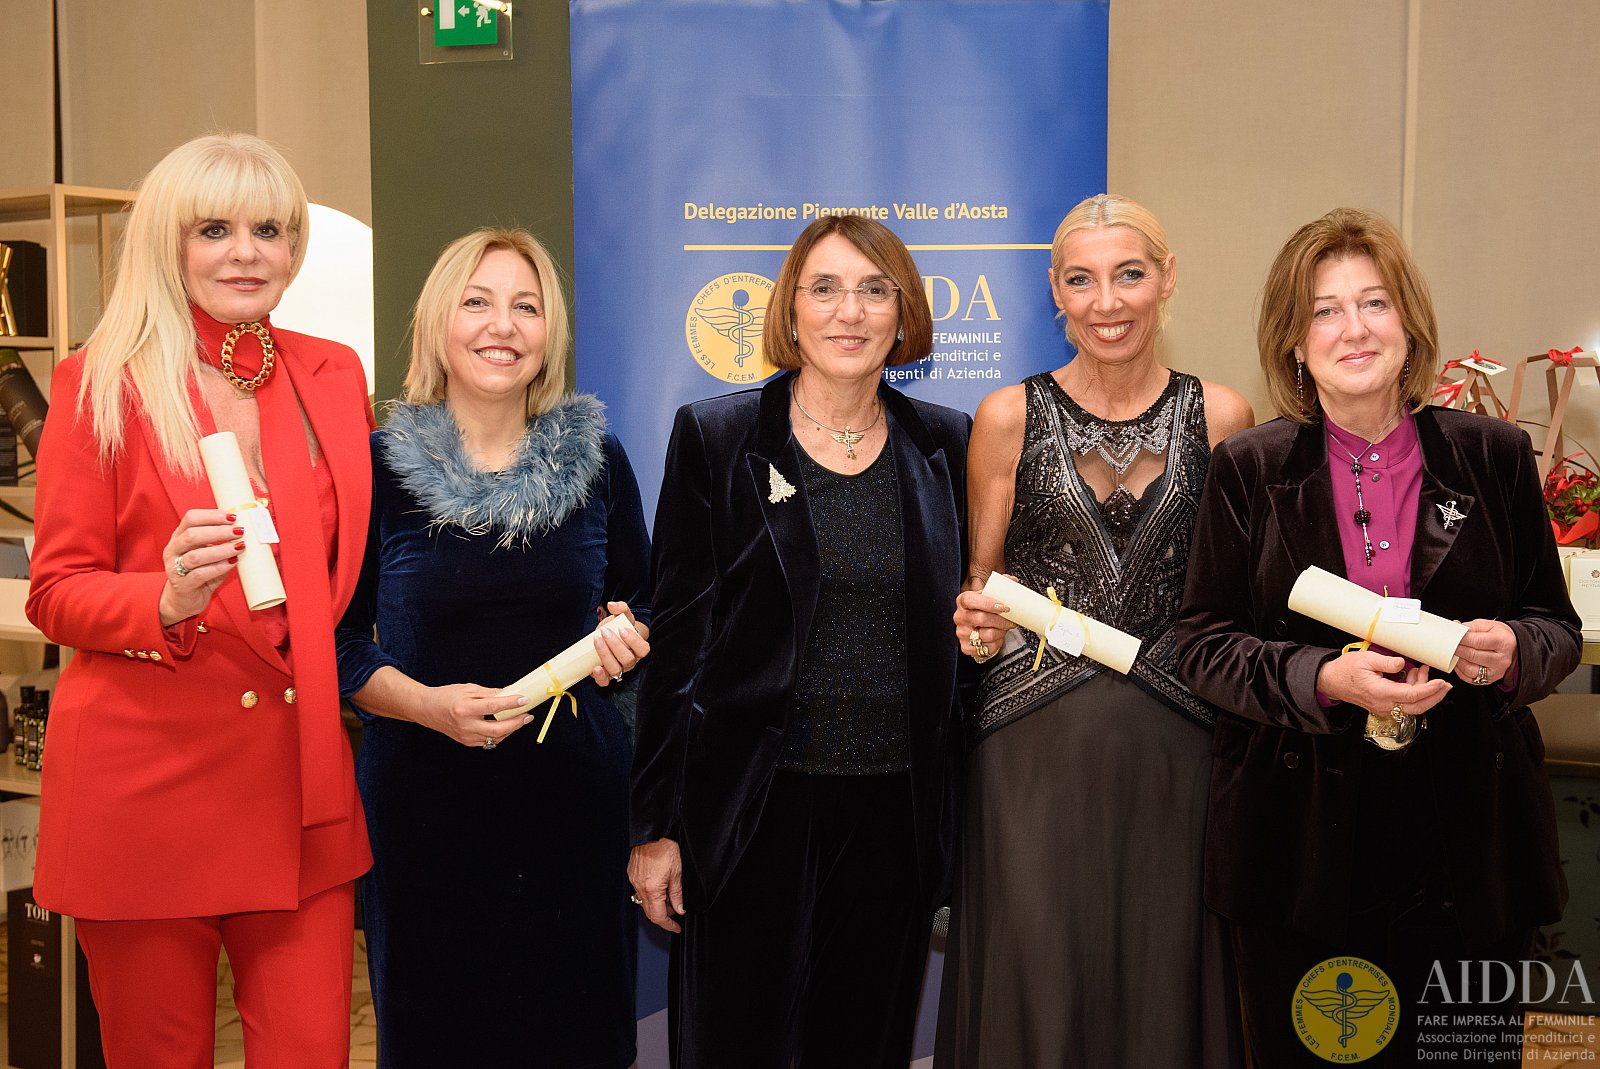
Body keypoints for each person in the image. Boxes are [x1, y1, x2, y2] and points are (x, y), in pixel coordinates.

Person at [1175, 207, 1579, 1065]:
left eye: (1374, 303)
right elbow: (1201, 643)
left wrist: (1515, 654)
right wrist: (1323, 678)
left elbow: (1556, 626)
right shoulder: (1248, 468)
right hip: (1298, 849)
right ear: (1295, 341)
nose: (1354, 328)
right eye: (1325, 310)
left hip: (1471, 842)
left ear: (1409, 324)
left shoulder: (1495, 455)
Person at [24, 132, 373, 1065]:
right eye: (213, 229)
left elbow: (364, 563)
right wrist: (166, 598)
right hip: (148, 791)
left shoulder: (334, 374)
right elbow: (55, 592)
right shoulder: (99, 382)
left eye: (270, 229)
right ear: (167, 242)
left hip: (302, 794)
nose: (246, 252)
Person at [628, 214, 969, 1067]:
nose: (849, 311)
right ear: (791, 308)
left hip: (894, 817)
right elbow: (678, 644)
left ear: (903, 311)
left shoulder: (946, 443)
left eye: (874, 290)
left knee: (864, 1046)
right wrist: (656, 825)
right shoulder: (717, 438)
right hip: (749, 811)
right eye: (825, 288)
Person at [938, 193, 1254, 1066]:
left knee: (1165, 971)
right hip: (1030, 754)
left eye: (1129, 274)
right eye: (1081, 280)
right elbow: (981, 585)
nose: (1106, 301)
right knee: (1039, 969)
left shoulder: (1224, 416)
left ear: (1168, 278)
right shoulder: (1007, 416)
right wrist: (976, 625)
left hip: (1180, 750)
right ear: (1055, 291)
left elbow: (1235, 602)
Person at [334, 227, 651, 1069]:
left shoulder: (598, 460)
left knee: (574, 1039)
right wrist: (425, 705)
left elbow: (650, 601)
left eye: (525, 306)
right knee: (438, 1037)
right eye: (477, 302)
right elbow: (334, 642)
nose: (501, 325)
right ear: (439, 322)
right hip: (424, 807)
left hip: (572, 805)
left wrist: (628, 635)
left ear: (550, 333)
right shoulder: (376, 469)